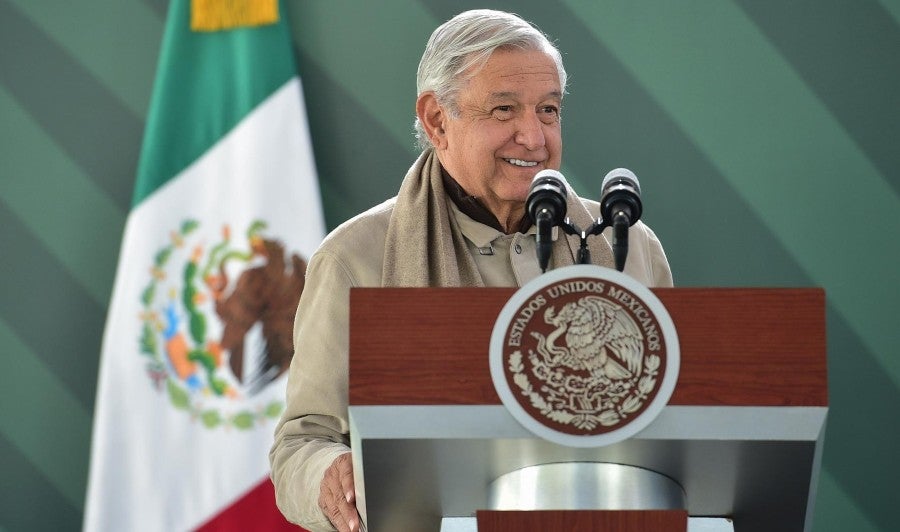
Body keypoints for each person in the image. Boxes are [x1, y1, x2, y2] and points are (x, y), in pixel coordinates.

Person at [269, 9, 673, 532]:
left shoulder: (626, 245)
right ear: (437, 120)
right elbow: (302, 440)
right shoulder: (357, 258)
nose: (533, 136)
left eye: (548, 111)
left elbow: (675, 417)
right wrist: (328, 473)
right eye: (504, 110)